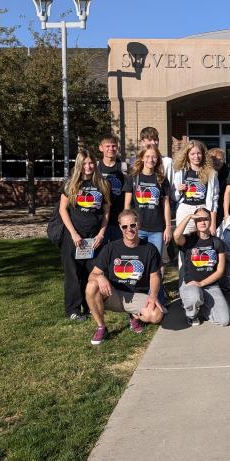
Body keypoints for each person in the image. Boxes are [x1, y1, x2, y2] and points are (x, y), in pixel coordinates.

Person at [85, 209, 165, 345]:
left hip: (136, 295)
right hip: (114, 294)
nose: (129, 229)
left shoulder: (149, 249)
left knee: (156, 316)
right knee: (92, 286)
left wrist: (153, 295)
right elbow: (93, 274)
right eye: (125, 226)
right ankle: (101, 327)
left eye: (132, 225)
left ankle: (134, 316)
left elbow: (155, 276)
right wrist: (100, 278)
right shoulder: (110, 248)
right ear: (120, 228)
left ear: (138, 225)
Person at [58, 150, 110, 320]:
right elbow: (62, 210)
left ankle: (90, 306)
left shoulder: (102, 184)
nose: (88, 167)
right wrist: (73, 234)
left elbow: (106, 210)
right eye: (84, 164)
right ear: (79, 165)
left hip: (94, 237)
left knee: (92, 272)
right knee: (73, 273)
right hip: (74, 237)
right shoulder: (71, 184)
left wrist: (101, 234)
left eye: (91, 163)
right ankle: (72, 311)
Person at [173, 207, 230, 326]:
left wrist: (202, 284)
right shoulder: (189, 240)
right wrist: (188, 217)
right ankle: (191, 315)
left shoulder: (217, 242)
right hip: (190, 283)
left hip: (210, 285)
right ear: (195, 222)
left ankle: (204, 307)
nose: (203, 222)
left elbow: (220, 271)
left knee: (225, 320)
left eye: (206, 219)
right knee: (194, 296)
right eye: (199, 220)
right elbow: (176, 235)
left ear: (210, 221)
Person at [123, 146, 171, 255]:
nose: (151, 159)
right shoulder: (133, 178)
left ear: (158, 159)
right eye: (148, 156)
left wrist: (168, 228)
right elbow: (127, 205)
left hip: (157, 229)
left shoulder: (162, 180)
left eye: (154, 157)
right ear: (142, 158)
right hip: (137, 228)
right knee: (138, 258)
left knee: (155, 262)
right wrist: (127, 226)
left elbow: (166, 205)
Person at [172, 139, 219, 234]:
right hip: (185, 210)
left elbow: (214, 199)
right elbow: (174, 197)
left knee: (203, 243)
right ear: (187, 155)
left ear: (203, 154)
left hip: (203, 210)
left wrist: (213, 223)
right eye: (192, 154)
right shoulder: (181, 172)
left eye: (199, 153)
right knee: (185, 242)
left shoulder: (211, 174)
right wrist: (178, 190)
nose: (196, 156)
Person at [97, 135, 128, 241]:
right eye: (107, 146)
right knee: (102, 253)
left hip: (119, 218)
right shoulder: (96, 168)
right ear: (101, 148)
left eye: (114, 146)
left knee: (118, 252)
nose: (111, 149)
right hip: (100, 219)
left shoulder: (124, 168)